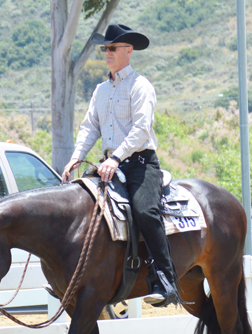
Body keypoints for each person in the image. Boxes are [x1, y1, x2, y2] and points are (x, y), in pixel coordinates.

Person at [62, 24, 180, 306]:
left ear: (128, 51)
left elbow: (141, 129)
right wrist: (77, 156)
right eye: (105, 48)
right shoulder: (101, 90)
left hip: (140, 163)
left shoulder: (141, 86)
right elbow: (90, 126)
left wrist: (116, 158)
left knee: (145, 211)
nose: (107, 53)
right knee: (79, 205)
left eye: (112, 48)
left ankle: (165, 280)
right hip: (109, 164)